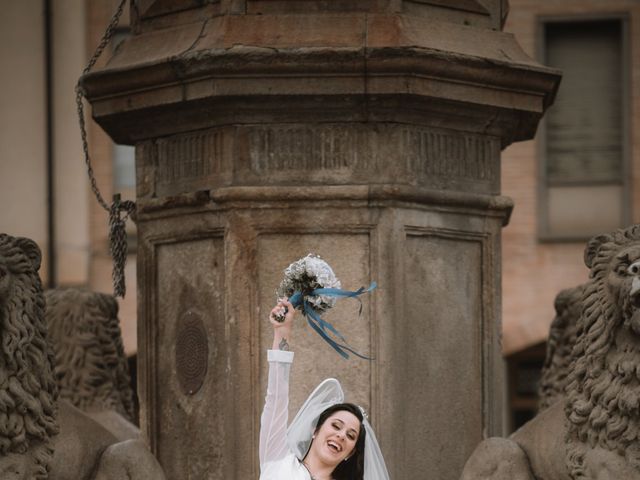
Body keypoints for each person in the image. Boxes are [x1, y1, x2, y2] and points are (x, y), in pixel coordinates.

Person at [259, 299, 390, 480]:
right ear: (315, 430)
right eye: (336, 425)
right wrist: (282, 331)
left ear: (350, 453)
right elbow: (276, 399)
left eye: (351, 436)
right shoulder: (277, 458)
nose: (341, 435)